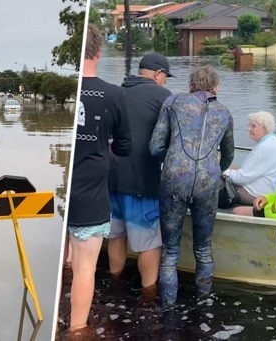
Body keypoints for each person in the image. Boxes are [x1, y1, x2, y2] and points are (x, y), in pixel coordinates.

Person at [65, 24, 132, 337]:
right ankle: (77, 329)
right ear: (99, 51)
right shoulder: (113, 94)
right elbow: (125, 147)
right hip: (91, 192)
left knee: (65, 258)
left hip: (61, 187)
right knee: (85, 268)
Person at [149, 65, 234, 308]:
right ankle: (204, 306)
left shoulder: (172, 102)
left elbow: (154, 148)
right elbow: (227, 155)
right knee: (204, 249)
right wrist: (214, 168)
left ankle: (168, 309)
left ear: (190, 85)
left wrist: (175, 158)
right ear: (216, 87)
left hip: (174, 179)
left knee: (170, 252)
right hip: (208, 182)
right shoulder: (225, 113)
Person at [107, 52, 173, 303]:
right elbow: (171, 140)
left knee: (116, 235)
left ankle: (115, 284)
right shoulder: (163, 97)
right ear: (158, 74)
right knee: (149, 243)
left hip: (111, 179)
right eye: (165, 77)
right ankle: (148, 294)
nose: (165, 82)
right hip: (142, 182)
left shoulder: (116, 91)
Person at [223, 111, 276, 205]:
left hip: (257, 194)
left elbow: (243, 178)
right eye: (249, 125)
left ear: (265, 128)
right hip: (271, 188)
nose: (249, 129)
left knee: (217, 184)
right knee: (232, 168)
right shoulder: (273, 142)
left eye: (253, 126)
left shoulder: (266, 148)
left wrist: (221, 172)